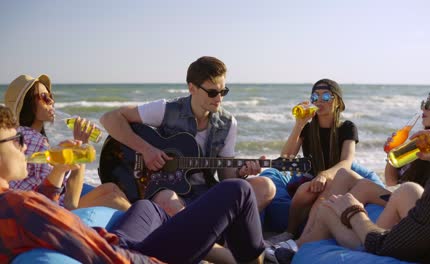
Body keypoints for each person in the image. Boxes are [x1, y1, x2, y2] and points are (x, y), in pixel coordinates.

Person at [0, 105, 265, 264]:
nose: (24, 147)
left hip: (115, 240)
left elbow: (44, 217)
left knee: (148, 207)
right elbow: (107, 257)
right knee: (238, 191)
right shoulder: (18, 204)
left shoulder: (14, 205)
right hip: (125, 253)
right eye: (16, 141)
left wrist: (58, 172)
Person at [287, 64, 430, 263]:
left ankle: (304, 241)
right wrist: (394, 155)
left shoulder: (346, 127)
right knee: (351, 180)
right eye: (424, 103)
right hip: (419, 204)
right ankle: (302, 238)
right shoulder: (427, 143)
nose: (423, 109)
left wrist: (354, 213)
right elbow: (391, 180)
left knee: (402, 191)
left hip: (420, 209)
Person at [100, 56, 275, 216]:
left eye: (223, 91)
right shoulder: (166, 109)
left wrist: (242, 172)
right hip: (169, 191)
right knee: (168, 201)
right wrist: (146, 150)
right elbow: (109, 118)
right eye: (213, 92)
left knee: (265, 187)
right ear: (192, 88)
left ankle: (211, 228)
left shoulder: (228, 123)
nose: (219, 99)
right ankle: (205, 233)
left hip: (207, 191)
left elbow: (225, 177)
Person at [4, 74, 131, 211]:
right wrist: (81, 146)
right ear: (28, 104)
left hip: (38, 206)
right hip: (49, 212)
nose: (51, 102)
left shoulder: (22, 136)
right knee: (115, 200)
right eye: (44, 97)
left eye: (50, 96)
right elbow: (69, 202)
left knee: (110, 189)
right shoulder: (33, 140)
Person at [263, 79, 358, 243]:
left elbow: (347, 161)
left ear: (337, 102)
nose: (319, 101)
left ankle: (302, 237)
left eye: (326, 96)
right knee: (305, 190)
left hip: (338, 177)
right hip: (311, 178)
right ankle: (290, 232)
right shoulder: (308, 128)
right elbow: (285, 158)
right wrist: (299, 124)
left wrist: (324, 175)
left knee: (314, 191)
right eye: (315, 97)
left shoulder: (347, 127)